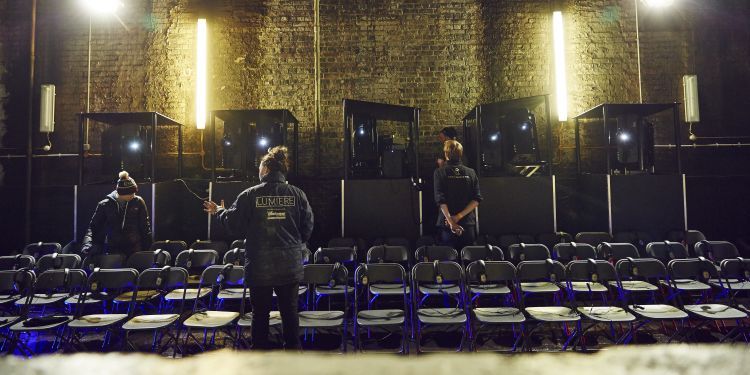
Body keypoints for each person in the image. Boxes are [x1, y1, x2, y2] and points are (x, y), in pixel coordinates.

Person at [203, 146, 313, 350]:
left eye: (260, 168)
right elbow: (307, 228)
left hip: (259, 268)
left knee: (260, 315)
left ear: (265, 170)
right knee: (290, 314)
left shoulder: (250, 195)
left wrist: (219, 211)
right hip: (289, 267)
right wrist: (294, 245)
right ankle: (294, 358)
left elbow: (233, 224)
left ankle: (260, 359)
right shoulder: (298, 194)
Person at [81, 171, 152, 256]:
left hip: (135, 250)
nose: (133, 195)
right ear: (120, 193)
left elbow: (145, 227)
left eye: (133, 192)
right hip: (112, 250)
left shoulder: (138, 202)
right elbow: (93, 227)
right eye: (130, 193)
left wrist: (149, 250)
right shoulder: (105, 204)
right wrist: (87, 244)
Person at [434, 140, 482, 250]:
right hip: (467, 223)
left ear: (446, 154)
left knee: (449, 261)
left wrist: (451, 222)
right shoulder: (471, 172)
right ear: (461, 154)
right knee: (469, 259)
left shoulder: (439, 172)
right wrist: (458, 217)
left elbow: (440, 200)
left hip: (446, 224)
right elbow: (477, 199)